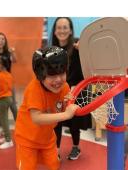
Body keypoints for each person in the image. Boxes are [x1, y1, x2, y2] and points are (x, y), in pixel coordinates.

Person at [14, 46, 79, 170]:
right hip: (27, 139)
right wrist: (66, 114)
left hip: (47, 138)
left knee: (54, 165)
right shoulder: (34, 89)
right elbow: (36, 118)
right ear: (40, 75)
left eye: (62, 73)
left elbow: (63, 108)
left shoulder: (64, 87)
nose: (59, 80)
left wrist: (69, 103)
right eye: (52, 76)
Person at [50, 17, 92, 160]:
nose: (62, 30)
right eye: (59, 28)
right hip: (57, 92)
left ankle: (76, 147)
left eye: (65, 27)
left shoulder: (77, 47)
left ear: (70, 30)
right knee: (57, 122)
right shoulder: (52, 51)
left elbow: (84, 71)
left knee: (74, 123)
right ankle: (55, 150)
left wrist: (84, 50)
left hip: (74, 91)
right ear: (54, 31)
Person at [0, 32, 17, 138]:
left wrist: (13, 53)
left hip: (8, 84)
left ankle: (20, 126)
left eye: (2, 39)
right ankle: (1, 128)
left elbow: (15, 60)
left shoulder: (8, 53)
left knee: (13, 107)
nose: (1, 40)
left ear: (5, 41)